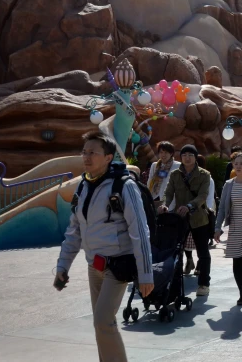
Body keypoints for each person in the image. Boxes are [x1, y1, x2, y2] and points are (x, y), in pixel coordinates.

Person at [55, 132, 153, 362]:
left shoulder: (124, 186)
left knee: (103, 321)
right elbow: (74, 231)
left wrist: (146, 273)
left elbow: (139, 231)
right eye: (84, 152)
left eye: (93, 153)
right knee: (102, 325)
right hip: (94, 266)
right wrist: (63, 265)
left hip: (117, 265)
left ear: (108, 157)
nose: (86, 157)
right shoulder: (83, 186)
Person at [161, 144, 214, 297]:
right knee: (176, 251)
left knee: (203, 253)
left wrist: (190, 206)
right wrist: (164, 204)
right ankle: (175, 284)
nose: (187, 157)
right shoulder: (175, 174)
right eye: (184, 155)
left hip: (199, 218)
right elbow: (168, 192)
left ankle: (204, 283)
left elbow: (203, 195)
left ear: (195, 157)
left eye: (190, 155)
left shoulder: (205, 175)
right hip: (180, 219)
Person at [215, 152, 242, 306]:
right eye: (236, 163)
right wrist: (217, 228)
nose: (238, 166)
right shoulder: (229, 184)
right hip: (234, 228)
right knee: (237, 261)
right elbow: (221, 208)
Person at [148, 141, 180, 207]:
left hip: (170, 200)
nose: (163, 155)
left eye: (166, 152)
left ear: (171, 153)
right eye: (161, 152)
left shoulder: (177, 166)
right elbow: (150, 181)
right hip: (154, 198)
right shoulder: (155, 165)